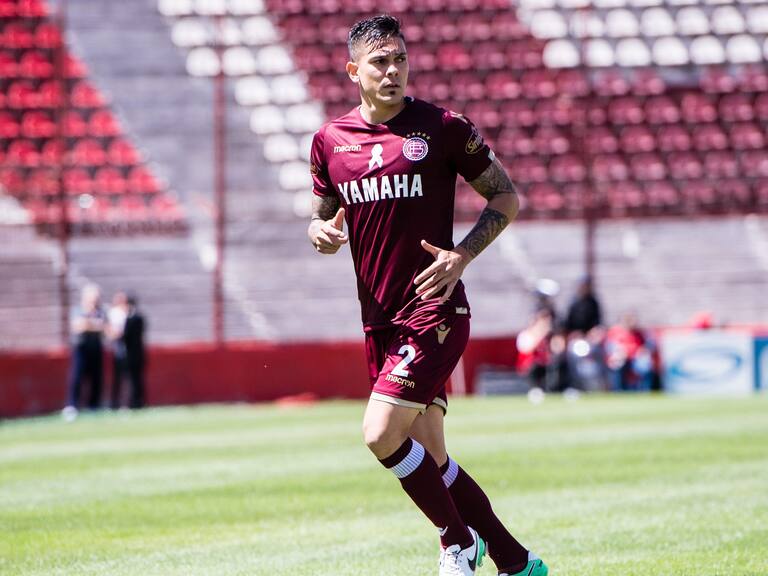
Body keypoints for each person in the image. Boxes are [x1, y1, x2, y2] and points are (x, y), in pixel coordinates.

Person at [307, 15, 547, 576]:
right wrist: (317, 231)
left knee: (379, 433)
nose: (392, 71)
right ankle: (517, 563)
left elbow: (505, 198)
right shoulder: (329, 141)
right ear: (353, 71)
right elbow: (321, 213)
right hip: (380, 321)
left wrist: (461, 256)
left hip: (435, 312)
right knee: (432, 458)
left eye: (399, 59)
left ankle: (457, 542)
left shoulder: (440, 127)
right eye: (379, 62)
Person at [62, 283, 106, 420]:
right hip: (81, 349)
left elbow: (107, 328)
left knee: (97, 378)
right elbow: (79, 326)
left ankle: (94, 405)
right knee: (77, 377)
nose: (95, 301)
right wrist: (95, 325)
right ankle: (72, 405)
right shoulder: (78, 310)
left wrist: (91, 324)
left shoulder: (101, 311)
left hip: (96, 348)